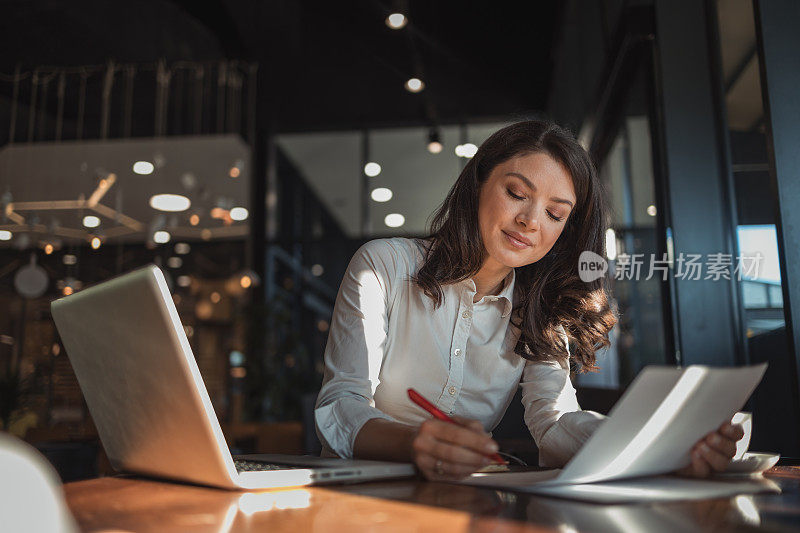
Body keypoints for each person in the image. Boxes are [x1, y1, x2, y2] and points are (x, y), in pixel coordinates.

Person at [314, 120, 744, 480]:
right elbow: (342, 403)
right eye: (517, 194)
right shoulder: (383, 266)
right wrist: (414, 443)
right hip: (355, 489)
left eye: (555, 214)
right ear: (480, 180)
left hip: (454, 501)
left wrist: (653, 444)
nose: (529, 221)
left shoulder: (540, 307)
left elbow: (554, 420)